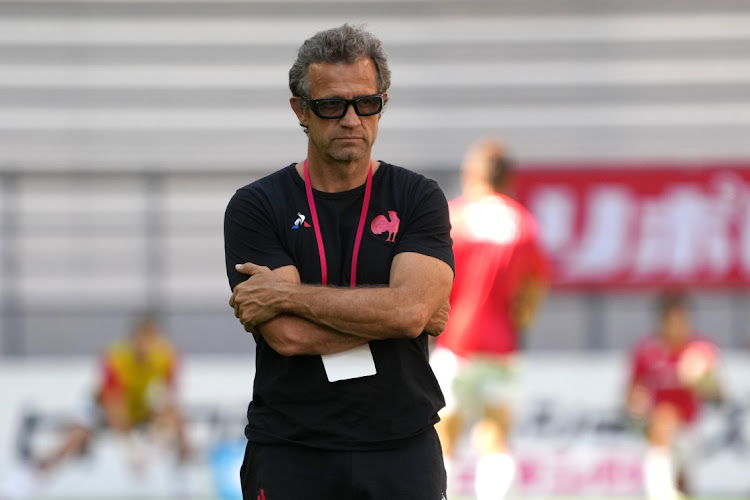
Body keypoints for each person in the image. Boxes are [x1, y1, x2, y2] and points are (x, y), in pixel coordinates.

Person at [224, 24, 454, 500]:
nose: (351, 118)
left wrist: (287, 295)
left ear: (382, 103)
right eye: (332, 105)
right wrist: (399, 314)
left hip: (401, 445)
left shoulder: (418, 197)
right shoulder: (256, 205)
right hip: (292, 446)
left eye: (365, 102)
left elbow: (411, 312)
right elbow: (288, 336)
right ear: (300, 110)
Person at [429, 138, 550, 500]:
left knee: (443, 438)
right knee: (495, 438)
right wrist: (520, 317)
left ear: (472, 175)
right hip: (501, 347)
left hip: (455, 343)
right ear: (508, 177)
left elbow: (430, 277)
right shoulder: (522, 223)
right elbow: (535, 285)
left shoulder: (453, 217)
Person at [0, 314, 191, 500]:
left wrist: (154, 443)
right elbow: (113, 404)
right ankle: (20, 484)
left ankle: (182, 485)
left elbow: (170, 397)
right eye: (143, 339)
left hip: (139, 410)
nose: (146, 346)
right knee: (73, 440)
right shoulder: (115, 357)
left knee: (178, 422)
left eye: (151, 339)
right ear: (134, 338)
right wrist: (130, 449)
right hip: (100, 408)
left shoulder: (167, 356)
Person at [625, 292, 722, 500]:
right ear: (661, 321)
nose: (676, 325)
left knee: (685, 485)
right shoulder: (646, 351)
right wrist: (636, 404)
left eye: (681, 319)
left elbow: (719, 395)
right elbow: (632, 392)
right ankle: (659, 493)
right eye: (671, 320)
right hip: (657, 425)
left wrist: (703, 381)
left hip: (690, 427)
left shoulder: (701, 349)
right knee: (663, 418)